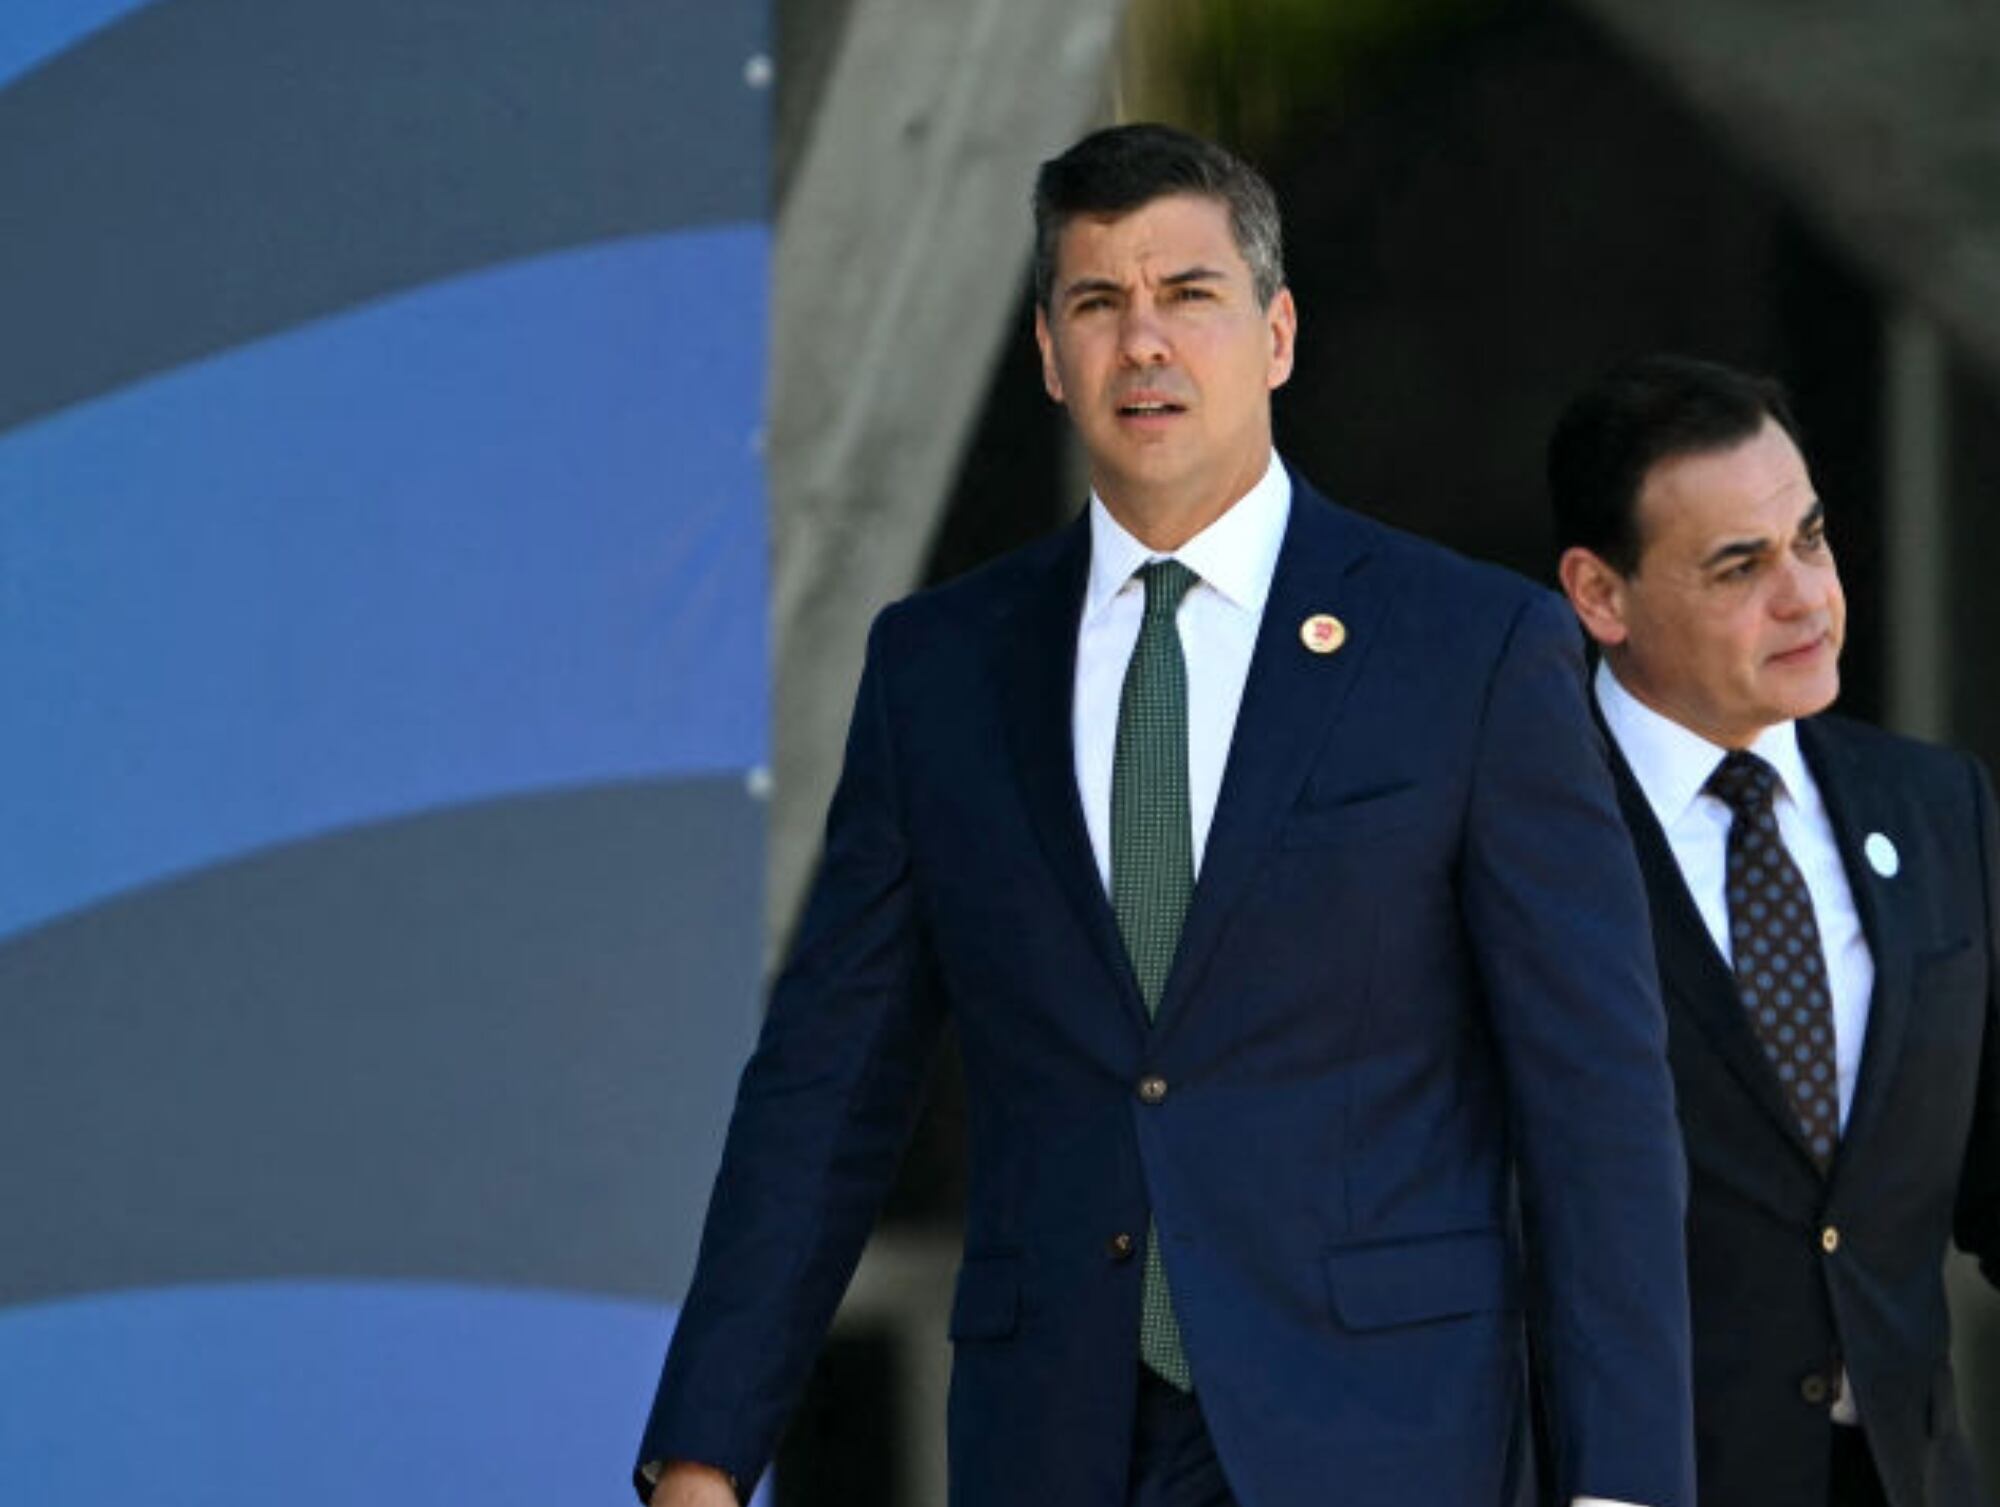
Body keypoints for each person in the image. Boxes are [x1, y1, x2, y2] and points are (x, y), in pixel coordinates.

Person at [636, 123, 1693, 1507]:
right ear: (1048, 353)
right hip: (1054, 1431)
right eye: (1098, 302)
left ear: (1277, 333)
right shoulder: (938, 667)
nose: (1144, 341)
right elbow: (828, 1081)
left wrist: (1624, 1483)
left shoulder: (1472, 649)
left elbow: (1594, 1097)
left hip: (1382, 1434)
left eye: (1189, 295)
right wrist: (707, 1445)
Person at [1550, 354, 2000, 1507]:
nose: (1803, 596)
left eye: (1807, 538)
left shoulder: (1934, 807)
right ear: (1600, 596)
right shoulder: (1511, 836)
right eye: (1738, 566)